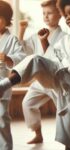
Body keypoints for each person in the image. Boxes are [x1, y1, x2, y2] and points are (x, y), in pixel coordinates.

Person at [0, 0, 70, 149]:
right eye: (65, 14)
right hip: (57, 73)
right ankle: (5, 84)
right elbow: (52, 56)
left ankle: (69, 147)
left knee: (69, 118)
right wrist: (44, 42)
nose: (67, 18)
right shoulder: (66, 40)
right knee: (35, 59)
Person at [19, 0, 65, 144]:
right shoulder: (37, 34)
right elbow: (23, 49)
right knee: (27, 103)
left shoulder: (64, 37)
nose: (46, 16)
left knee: (65, 111)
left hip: (56, 81)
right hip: (40, 81)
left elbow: (60, 59)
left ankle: (68, 139)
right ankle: (38, 133)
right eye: (44, 13)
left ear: (60, 14)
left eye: (49, 13)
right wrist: (22, 30)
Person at [0, 1, 26, 150]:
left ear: (7, 20)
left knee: (2, 116)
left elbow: (22, 56)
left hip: (3, 81)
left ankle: (6, 147)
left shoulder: (11, 40)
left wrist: (9, 58)